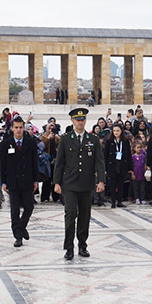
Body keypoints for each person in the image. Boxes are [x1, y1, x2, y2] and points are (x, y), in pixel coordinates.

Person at [54, 108, 106, 260]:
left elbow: (99, 161)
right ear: (72, 121)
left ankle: (82, 245)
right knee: (70, 215)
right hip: (69, 184)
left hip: (86, 183)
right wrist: (57, 182)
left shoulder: (93, 139)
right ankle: (69, 247)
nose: (80, 122)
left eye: (82, 119)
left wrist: (101, 180)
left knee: (84, 216)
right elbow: (60, 162)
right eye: (77, 120)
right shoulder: (65, 138)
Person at [0, 116, 39, 247]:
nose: (18, 130)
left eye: (21, 127)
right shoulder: (6, 143)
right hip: (13, 181)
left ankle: (22, 227)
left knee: (29, 207)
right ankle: (18, 236)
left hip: (27, 179)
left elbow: (35, 163)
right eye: (16, 127)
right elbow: (3, 164)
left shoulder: (31, 142)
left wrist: (35, 180)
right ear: (12, 128)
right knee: (14, 210)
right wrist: (3, 182)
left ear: (24, 128)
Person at [104, 123, 132, 208]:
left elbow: (129, 155)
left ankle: (119, 201)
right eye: (114, 131)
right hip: (112, 165)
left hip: (122, 164)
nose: (116, 132)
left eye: (118, 131)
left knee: (121, 184)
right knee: (113, 184)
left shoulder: (125, 141)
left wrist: (130, 168)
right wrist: (105, 168)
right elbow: (105, 155)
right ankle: (113, 202)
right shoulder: (109, 141)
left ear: (121, 131)